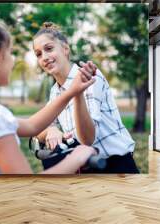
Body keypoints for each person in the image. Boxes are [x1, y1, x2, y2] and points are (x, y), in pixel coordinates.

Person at [0, 18, 98, 174]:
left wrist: (72, 92)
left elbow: (31, 126)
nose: (13, 61)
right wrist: (77, 157)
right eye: (10, 52)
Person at [33, 22, 139, 173]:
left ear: (65, 49)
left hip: (115, 164)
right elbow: (38, 127)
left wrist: (77, 93)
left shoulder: (89, 76)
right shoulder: (55, 91)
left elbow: (87, 139)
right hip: (86, 165)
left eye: (49, 49)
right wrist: (52, 130)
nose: (44, 57)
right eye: (38, 54)